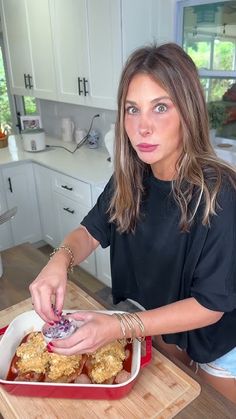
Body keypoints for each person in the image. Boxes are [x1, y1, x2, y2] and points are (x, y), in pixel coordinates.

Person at [30, 43, 236, 402]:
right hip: (158, 338)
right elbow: (90, 231)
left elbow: (210, 305)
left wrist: (119, 326)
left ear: (188, 112)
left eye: (160, 107)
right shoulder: (131, 178)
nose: (142, 127)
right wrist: (57, 261)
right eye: (132, 109)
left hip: (217, 353)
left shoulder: (221, 194)